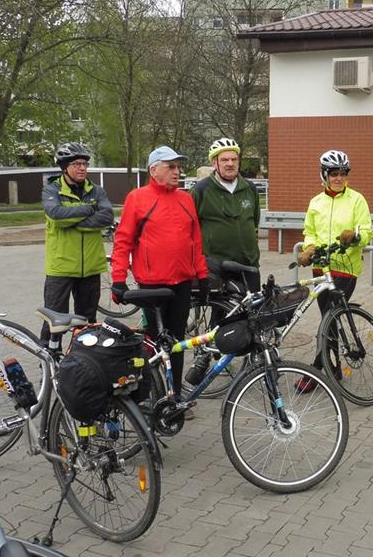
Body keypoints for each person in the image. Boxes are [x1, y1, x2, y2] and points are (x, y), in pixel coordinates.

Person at [110, 146, 209, 401]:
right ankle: (151, 395)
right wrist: (118, 279)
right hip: (152, 286)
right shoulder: (137, 198)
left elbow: (195, 241)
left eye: (178, 167)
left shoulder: (185, 199)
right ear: (154, 170)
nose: (177, 172)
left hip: (182, 283)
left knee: (176, 343)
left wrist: (202, 275)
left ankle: (174, 396)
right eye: (171, 167)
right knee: (155, 343)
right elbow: (123, 241)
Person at [294, 150, 373, 392]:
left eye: (343, 173)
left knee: (329, 318)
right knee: (329, 319)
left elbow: (367, 232)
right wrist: (308, 248)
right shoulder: (316, 202)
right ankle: (335, 367)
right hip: (322, 269)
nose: (339, 178)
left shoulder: (357, 200)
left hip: (346, 270)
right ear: (324, 175)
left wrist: (355, 236)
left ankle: (317, 369)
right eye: (333, 173)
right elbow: (310, 231)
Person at [40, 142, 113, 348]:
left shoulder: (97, 191)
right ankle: (47, 359)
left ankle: (83, 360)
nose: (82, 168)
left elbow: (107, 217)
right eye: (76, 164)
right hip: (61, 267)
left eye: (84, 164)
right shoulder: (51, 190)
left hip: (90, 267)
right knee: (54, 321)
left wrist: (74, 222)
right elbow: (57, 215)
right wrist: (89, 209)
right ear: (64, 167)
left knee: (88, 321)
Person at [191, 137, 262, 293]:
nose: (230, 163)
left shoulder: (249, 188)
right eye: (224, 160)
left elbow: (254, 221)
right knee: (220, 308)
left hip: (248, 264)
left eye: (234, 159)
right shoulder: (201, 190)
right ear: (214, 163)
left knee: (254, 306)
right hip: (217, 266)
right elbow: (190, 227)